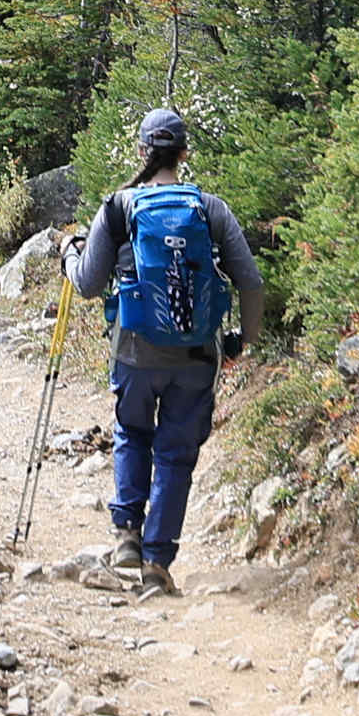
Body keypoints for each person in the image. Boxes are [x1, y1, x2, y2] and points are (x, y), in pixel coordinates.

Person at [69, 105, 261, 595]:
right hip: (197, 355)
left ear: (141, 151)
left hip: (134, 349)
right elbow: (251, 283)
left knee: (132, 432)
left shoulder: (119, 207)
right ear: (183, 153)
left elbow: (90, 285)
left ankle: (126, 534)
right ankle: (157, 562)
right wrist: (244, 340)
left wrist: (70, 256)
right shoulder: (209, 209)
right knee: (176, 454)